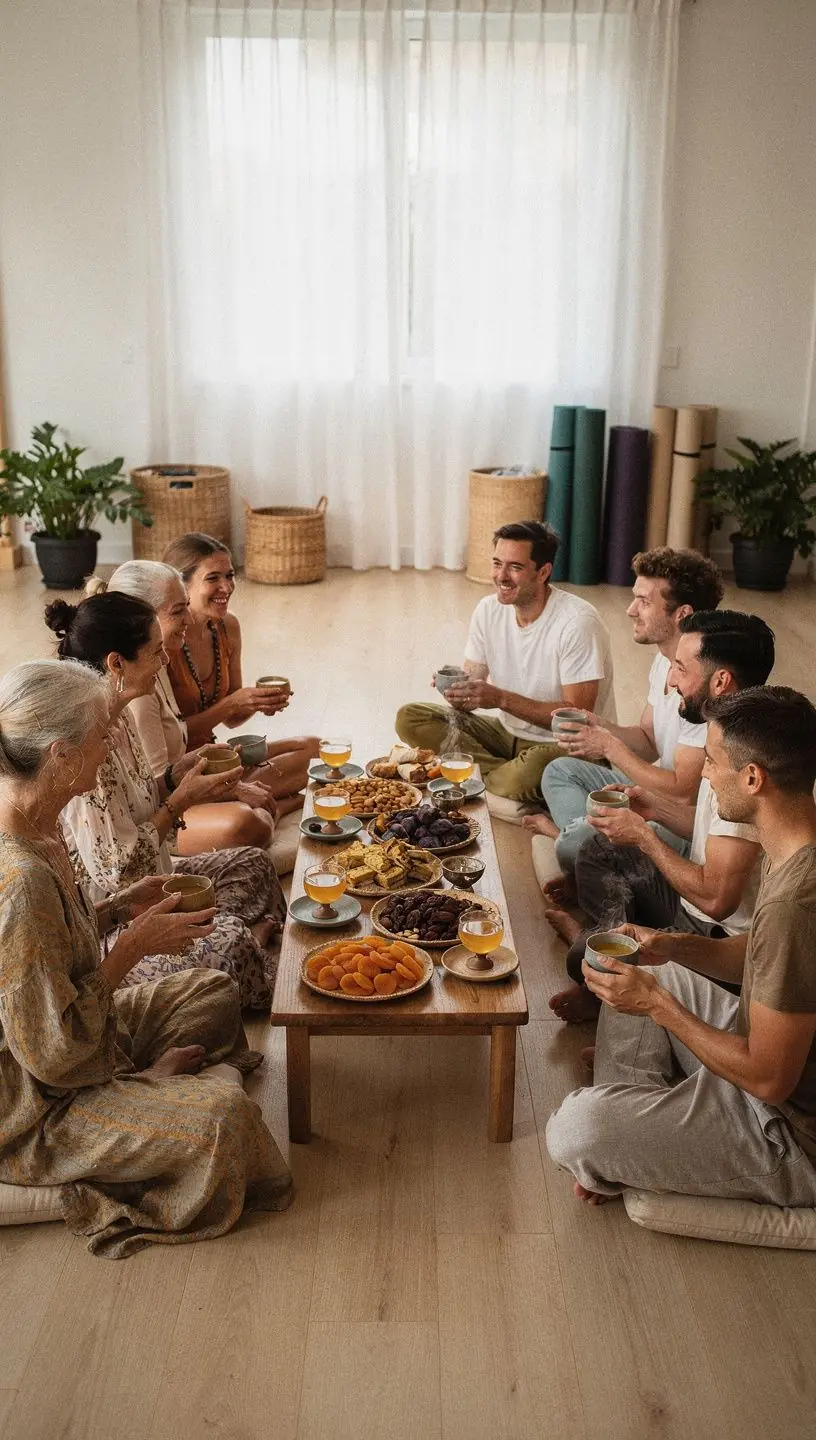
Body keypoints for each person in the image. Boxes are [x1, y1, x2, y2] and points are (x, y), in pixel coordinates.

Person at [0, 658, 292, 1259]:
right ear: (59, 754)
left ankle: (139, 1089)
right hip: (36, 1102)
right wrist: (132, 947)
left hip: (81, 1038)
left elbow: (59, 947)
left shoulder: (37, 825)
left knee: (210, 987)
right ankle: (135, 1101)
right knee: (223, 1117)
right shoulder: (21, 875)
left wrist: (115, 911)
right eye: (101, 733)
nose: (112, 741)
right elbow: (52, 1053)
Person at [546, 686, 816, 1210]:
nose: (706, 776)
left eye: (712, 762)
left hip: (789, 1133)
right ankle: (642, 1129)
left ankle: (626, 1138)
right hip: (756, 1051)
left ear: (753, 778)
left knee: (575, 1130)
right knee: (639, 969)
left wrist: (657, 1007)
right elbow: (763, 955)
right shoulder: (796, 851)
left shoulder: (795, 906)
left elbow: (768, 1078)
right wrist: (671, 947)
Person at [48, 592, 285, 1009]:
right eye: (156, 653)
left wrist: (176, 775)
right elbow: (120, 871)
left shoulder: (119, 712)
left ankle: (246, 937)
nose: (166, 662)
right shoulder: (87, 741)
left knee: (253, 865)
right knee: (227, 943)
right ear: (116, 663)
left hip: (153, 880)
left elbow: (140, 797)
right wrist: (180, 803)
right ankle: (248, 940)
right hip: (110, 921)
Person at [547, 611, 774, 1023]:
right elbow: (708, 827)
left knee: (584, 957)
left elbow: (719, 902)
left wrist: (645, 836)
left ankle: (593, 955)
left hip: (716, 939)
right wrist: (654, 810)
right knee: (598, 848)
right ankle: (606, 938)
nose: (671, 681)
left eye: (681, 669)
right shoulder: (727, 731)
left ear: (720, 682)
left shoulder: (745, 761)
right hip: (686, 906)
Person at [526, 546, 725, 884]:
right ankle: (590, 853)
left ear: (682, 613)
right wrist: (597, 726)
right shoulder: (664, 659)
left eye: (644, 602)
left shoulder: (701, 681)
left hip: (676, 817)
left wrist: (608, 747)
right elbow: (648, 739)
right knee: (558, 771)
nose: (631, 610)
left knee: (572, 847)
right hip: (646, 791)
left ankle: (572, 843)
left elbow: (681, 793)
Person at [396, 521, 616, 802]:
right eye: (497, 563)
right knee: (410, 717)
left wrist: (500, 699)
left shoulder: (577, 623)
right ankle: (502, 781)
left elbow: (576, 717)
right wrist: (459, 692)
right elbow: (473, 679)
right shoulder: (488, 610)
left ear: (543, 572)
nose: (501, 576)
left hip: (564, 747)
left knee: (530, 770)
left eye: (515, 567)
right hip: (505, 735)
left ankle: (473, 775)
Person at [86, 561, 276, 855]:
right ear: (142, 616)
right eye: (178, 611)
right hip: (157, 827)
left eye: (186, 606)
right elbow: (123, 856)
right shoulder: (129, 690)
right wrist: (222, 792)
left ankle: (276, 809)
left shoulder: (152, 667)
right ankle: (279, 809)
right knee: (251, 824)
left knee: (307, 751)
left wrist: (187, 772)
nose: (190, 618)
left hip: (164, 805)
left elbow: (152, 784)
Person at [163, 533, 319, 814]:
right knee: (246, 822)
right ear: (181, 585)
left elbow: (233, 719)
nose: (226, 587)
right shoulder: (165, 643)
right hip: (180, 772)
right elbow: (172, 736)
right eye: (213, 578)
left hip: (219, 757)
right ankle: (281, 805)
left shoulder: (226, 626)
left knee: (314, 748)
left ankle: (259, 801)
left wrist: (256, 702)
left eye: (230, 575)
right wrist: (235, 702)